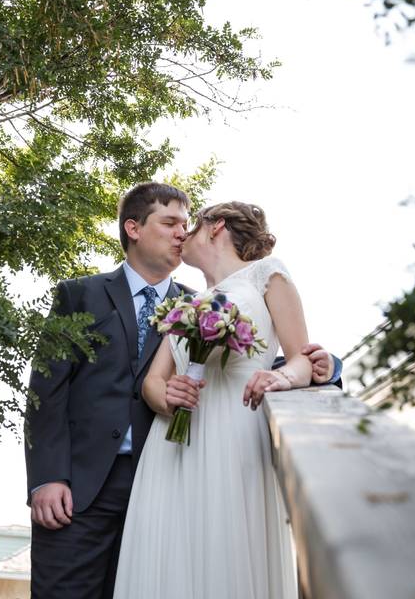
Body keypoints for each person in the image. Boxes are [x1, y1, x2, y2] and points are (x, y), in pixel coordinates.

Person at [25, 185, 336, 599]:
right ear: (133, 228)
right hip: (82, 489)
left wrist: (325, 366)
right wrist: (47, 478)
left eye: (186, 225)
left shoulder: (199, 300)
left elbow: (272, 358)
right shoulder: (80, 295)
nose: (180, 233)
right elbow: (47, 390)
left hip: (171, 476)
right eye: (170, 223)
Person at [113, 201, 308, 599]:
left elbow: (302, 356)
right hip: (172, 448)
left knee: (226, 552)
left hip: (232, 435)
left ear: (216, 226)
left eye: (191, 225)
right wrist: (165, 396)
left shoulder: (266, 275)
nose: (181, 234)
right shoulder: (186, 305)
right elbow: (153, 380)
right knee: (169, 563)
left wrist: (281, 376)